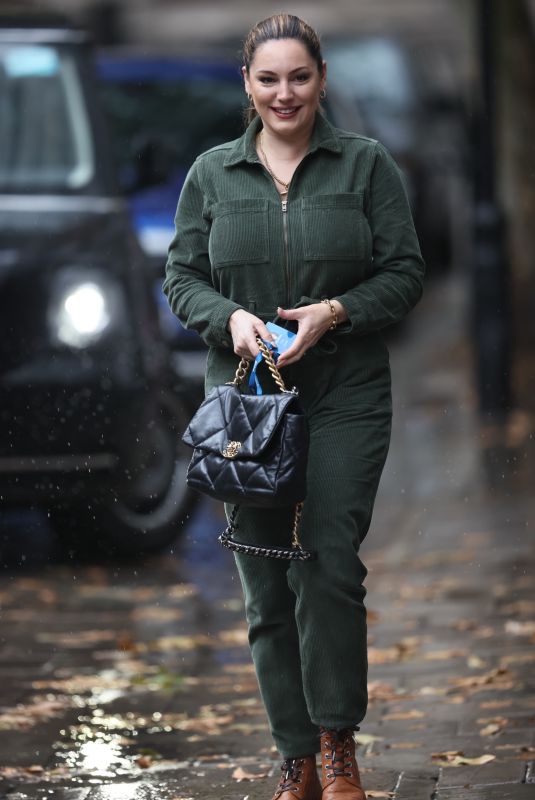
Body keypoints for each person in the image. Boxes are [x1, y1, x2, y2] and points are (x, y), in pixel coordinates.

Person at [163, 13, 425, 800]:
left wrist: (334, 312)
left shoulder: (365, 165)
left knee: (329, 564)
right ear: (247, 85)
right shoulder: (211, 174)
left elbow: (405, 274)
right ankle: (294, 757)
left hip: (343, 393)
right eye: (268, 79)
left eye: (299, 77)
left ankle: (336, 740)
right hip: (246, 407)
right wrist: (230, 320)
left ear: (320, 80)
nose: (285, 93)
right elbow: (182, 278)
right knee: (265, 582)